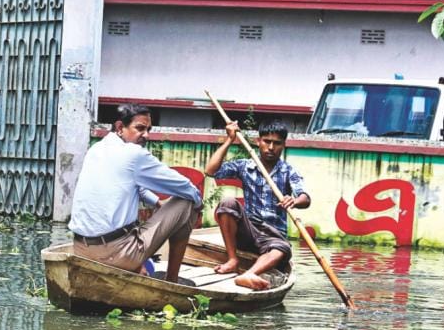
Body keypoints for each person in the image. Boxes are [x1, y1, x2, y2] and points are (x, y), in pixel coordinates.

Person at [69, 104, 201, 283]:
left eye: (148, 129)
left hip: (80, 250)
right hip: (117, 254)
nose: (146, 135)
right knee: (188, 202)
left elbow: (131, 184)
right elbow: (185, 187)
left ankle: (135, 263)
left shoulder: (96, 150)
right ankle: (172, 279)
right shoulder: (134, 154)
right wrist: (198, 202)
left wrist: (157, 203)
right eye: (140, 128)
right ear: (119, 127)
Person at [204, 119, 310, 290]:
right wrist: (229, 139)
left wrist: (294, 201)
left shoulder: (289, 171)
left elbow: (305, 198)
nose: (271, 147)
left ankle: (249, 274)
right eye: (267, 141)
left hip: (273, 235)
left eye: (277, 143)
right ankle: (232, 260)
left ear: (283, 145)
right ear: (258, 141)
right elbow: (210, 171)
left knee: (282, 248)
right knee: (227, 203)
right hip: (249, 229)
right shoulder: (245, 166)